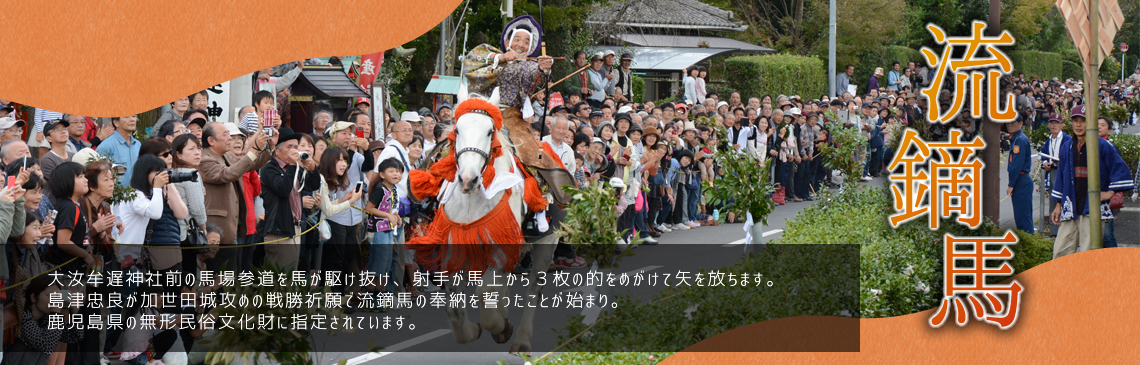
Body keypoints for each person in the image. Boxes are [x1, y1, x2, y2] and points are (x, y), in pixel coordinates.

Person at [1050, 106, 1134, 258]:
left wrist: (1110, 192)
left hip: (1093, 207)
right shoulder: (1067, 146)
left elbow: (1121, 170)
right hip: (1071, 205)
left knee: (1088, 253)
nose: (1079, 124)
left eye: (1083, 121)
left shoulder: (1103, 145)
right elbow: (1061, 177)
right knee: (1060, 251)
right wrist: (1058, 205)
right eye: (1075, 121)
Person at [199, 122, 273, 272]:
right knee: (217, 279)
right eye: (225, 135)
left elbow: (251, 164)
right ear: (211, 141)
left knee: (231, 277)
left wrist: (270, 147)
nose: (230, 139)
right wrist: (255, 148)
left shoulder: (226, 155)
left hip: (232, 227)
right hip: (216, 230)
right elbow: (228, 174)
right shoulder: (204, 159)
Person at [259, 127, 320, 269]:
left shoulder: (295, 168)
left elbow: (312, 186)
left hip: (296, 228)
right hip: (279, 230)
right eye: (289, 147)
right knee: (280, 278)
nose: (295, 150)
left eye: (296, 147)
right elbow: (283, 190)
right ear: (278, 150)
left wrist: (312, 169)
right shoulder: (270, 168)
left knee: (290, 276)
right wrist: (293, 165)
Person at [4, 275, 84, 365]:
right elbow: (45, 344)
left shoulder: (45, 320)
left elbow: (76, 335)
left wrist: (75, 311)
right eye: (50, 295)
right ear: (33, 297)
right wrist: (56, 313)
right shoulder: (24, 317)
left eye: (57, 295)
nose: (54, 299)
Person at [364, 158, 404, 311]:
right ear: (381, 174)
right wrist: (387, 216)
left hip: (388, 230)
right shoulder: (380, 189)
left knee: (385, 266)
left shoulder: (392, 188)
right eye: (392, 171)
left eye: (398, 171)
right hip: (378, 231)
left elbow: (391, 208)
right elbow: (369, 208)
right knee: (376, 266)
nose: (396, 174)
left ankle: (379, 297)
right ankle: (370, 298)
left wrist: (396, 216)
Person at [1006, 116, 1034, 234]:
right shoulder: (1016, 138)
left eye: (1013, 122)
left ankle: (1029, 243)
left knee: (1023, 217)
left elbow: (1017, 164)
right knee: (1020, 215)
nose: (1009, 125)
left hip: (1021, 180)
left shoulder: (1020, 140)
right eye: (1008, 122)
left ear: (1021, 123)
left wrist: (1011, 184)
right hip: (1020, 179)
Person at [96, 115, 141, 186]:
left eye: (133, 116)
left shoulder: (137, 144)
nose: (132, 120)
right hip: (116, 195)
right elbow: (97, 175)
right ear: (116, 122)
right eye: (126, 117)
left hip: (137, 193)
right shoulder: (106, 146)